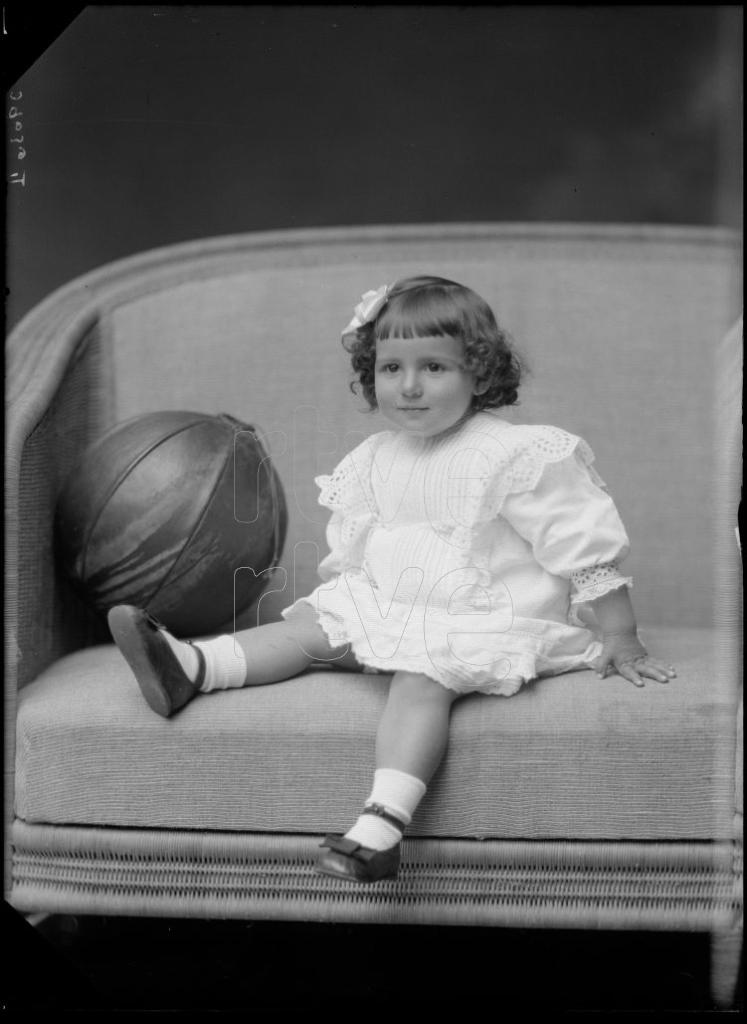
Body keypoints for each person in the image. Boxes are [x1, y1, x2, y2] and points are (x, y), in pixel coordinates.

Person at [107, 275, 676, 884]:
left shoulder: (514, 453)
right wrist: (352, 613)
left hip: (480, 616)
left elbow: (579, 543)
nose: (408, 386)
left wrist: (620, 635)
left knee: (420, 679)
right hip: (398, 602)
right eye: (390, 368)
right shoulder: (379, 455)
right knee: (308, 626)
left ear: (480, 375)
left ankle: (381, 828)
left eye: (434, 367)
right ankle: (192, 668)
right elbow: (359, 547)